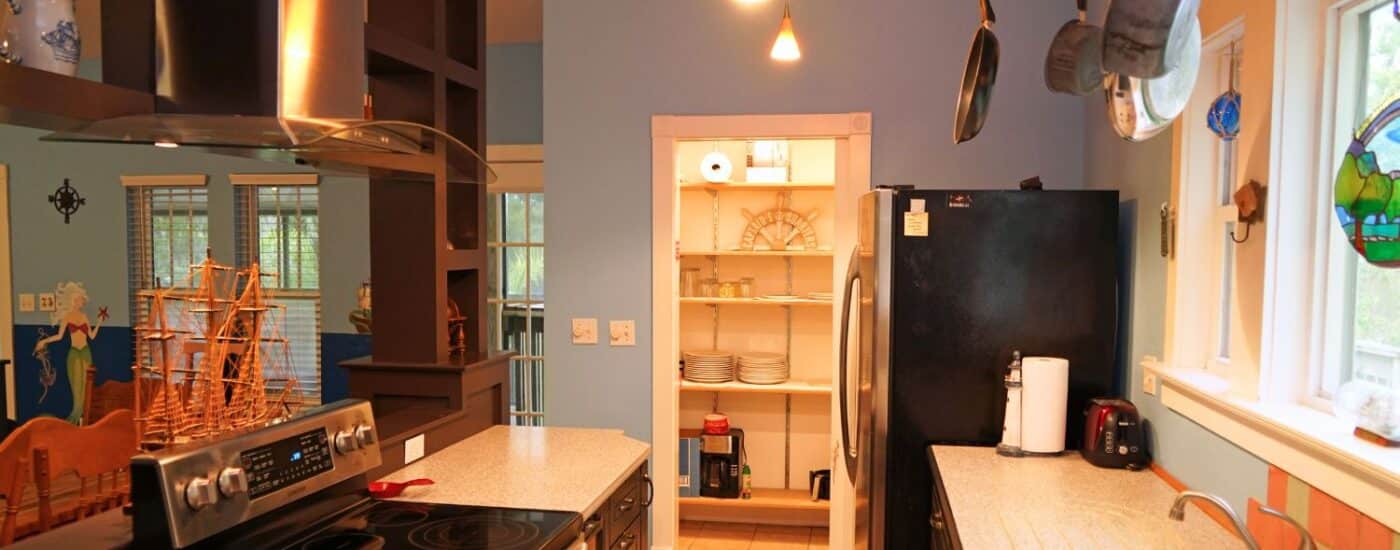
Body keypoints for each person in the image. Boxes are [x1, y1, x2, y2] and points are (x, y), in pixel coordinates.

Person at [34, 282, 103, 424]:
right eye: (76, 300)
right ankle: (75, 419)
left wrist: (99, 322)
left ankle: (83, 420)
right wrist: (44, 341)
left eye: (80, 300)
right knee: (76, 389)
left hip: (85, 353)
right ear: (71, 301)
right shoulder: (67, 317)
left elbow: (92, 336)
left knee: (86, 388)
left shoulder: (84, 317)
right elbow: (59, 336)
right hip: (74, 354)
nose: (79, 302)